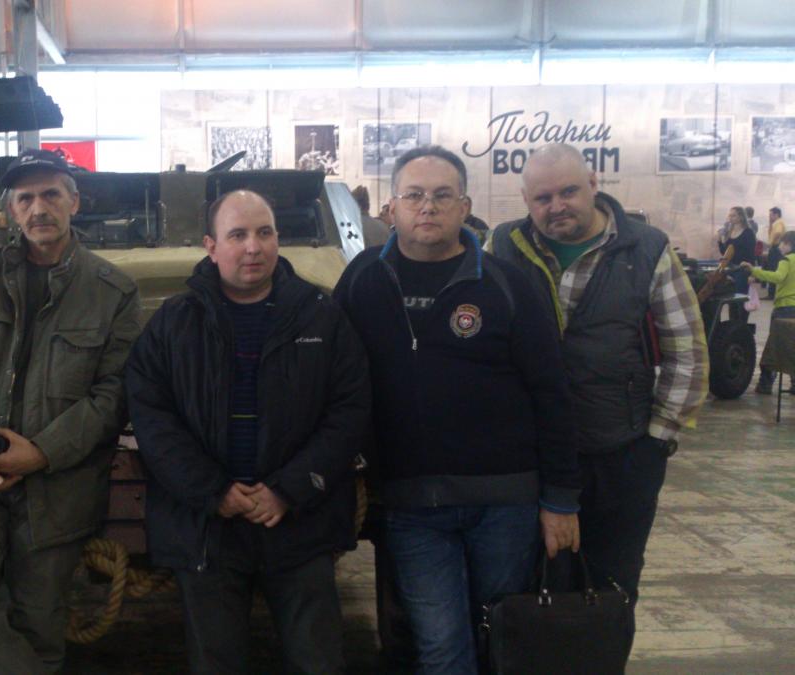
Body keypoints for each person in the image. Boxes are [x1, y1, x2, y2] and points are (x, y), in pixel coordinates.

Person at [335, 145, 581, 673]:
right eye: (414, 195)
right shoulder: (361, 281)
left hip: (505, 503)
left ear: (465, 207)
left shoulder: (509, 285)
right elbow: (332, 381)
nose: (428, 206)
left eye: (443, 195)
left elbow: (552, 394)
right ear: (391, 208)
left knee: (502, 638)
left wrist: (561, 499)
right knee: (441, 644)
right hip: (412, 504)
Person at [127, 189, 370, 674]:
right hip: (208, 528)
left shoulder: (322, 316)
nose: (253, 247)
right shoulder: (174, 324)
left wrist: (289, 490)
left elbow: (350, 411)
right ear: (211, 246)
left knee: (317, 661)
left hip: (300, 523)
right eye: (237, 235)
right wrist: (212, 491)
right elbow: (152, 418)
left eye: (264, 233)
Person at [0, 148, 141, 674]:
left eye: (50, 194)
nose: (38, 208)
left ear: (74, 201)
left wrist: (41, 453)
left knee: (40, 627)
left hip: (57, 489)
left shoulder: (112, 291)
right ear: (11, 208)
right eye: (25, 198)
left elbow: (114, 394)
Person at [489, 143, 708, 649]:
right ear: (526, 200)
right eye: (542, 198)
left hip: (620, 456)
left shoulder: (646, 248)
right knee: (526, 588)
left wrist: (655, 442)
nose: (556, 206)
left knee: (611, 588)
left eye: (568, 191)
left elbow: (688, 353)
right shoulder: (503, 245)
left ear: (593, 184)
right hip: (529, 457)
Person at [745, 230, 795, 394]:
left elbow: (778, 277)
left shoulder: (786, 260)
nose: (780, 246)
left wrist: (754, 271)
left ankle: (765, 384)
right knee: (793, 346)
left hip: (784, 309)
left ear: (789, 244)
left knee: (773, 347)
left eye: (782, 243)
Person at [720, 206, 757, 294]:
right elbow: (725, 253)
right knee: (730, 297)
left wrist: (752, 274)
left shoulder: (748, 233)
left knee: (740, 297)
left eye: (733, 216)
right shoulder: (729, 232)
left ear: (741, 217)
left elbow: (751, 255)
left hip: (742, 270)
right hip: (730, 269)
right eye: (729, 215)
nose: (730, 218)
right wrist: (719, 242)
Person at [765, 207, 786, 299]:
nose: (769, 216)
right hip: (775, 248)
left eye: (771, 215)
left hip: (775, 248)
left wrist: (772, 243)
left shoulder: (779, 223)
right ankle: (772, 293)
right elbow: (771, 233)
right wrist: (770, 223)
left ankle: (771, 294)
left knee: (772, 269)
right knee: (772, 269)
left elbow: (778, 233)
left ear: (776, 214)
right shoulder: (776, 223)